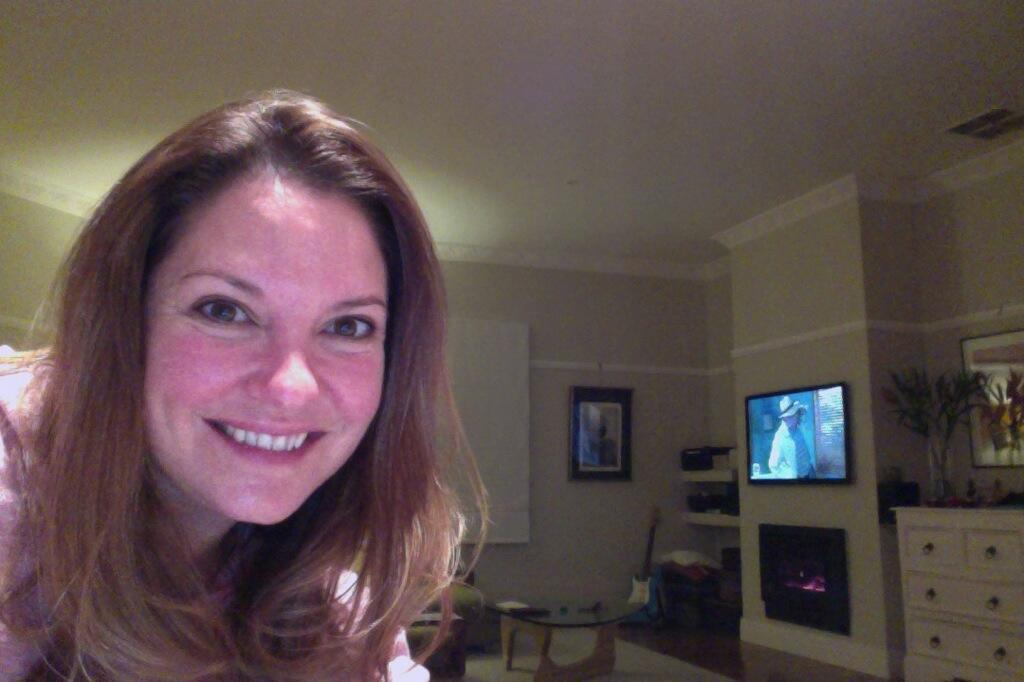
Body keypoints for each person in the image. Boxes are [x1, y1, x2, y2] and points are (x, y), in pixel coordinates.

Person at [0, 91, 484, 680]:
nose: (291, 387)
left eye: (348, 326)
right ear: (125, 319)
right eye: (224, 311)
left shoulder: (338, 617)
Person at [767, 396, 815, 479]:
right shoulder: (780, 436)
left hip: (809, 474)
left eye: (798, 413)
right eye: (796, 414)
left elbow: (805, 453)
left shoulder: (800, 429)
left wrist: (811, 470)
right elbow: (773, 465)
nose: (799, 416)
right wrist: (791, 477)